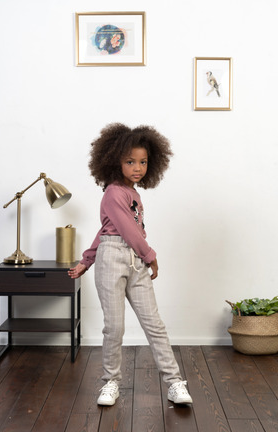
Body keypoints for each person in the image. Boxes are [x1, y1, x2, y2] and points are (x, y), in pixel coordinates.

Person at [68, 123, 193, 406]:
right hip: (114, 258)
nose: (138, 167)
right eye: (130, 161)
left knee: (154, 324)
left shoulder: (133, 193)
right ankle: (111, 382)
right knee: (114, 327)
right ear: (115, 162)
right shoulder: (113, 192)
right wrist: (150, 254)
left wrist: (86, 260)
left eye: (143, 162)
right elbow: (123, 229)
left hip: (133, 260)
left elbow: (106, 228)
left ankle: (174, 382)